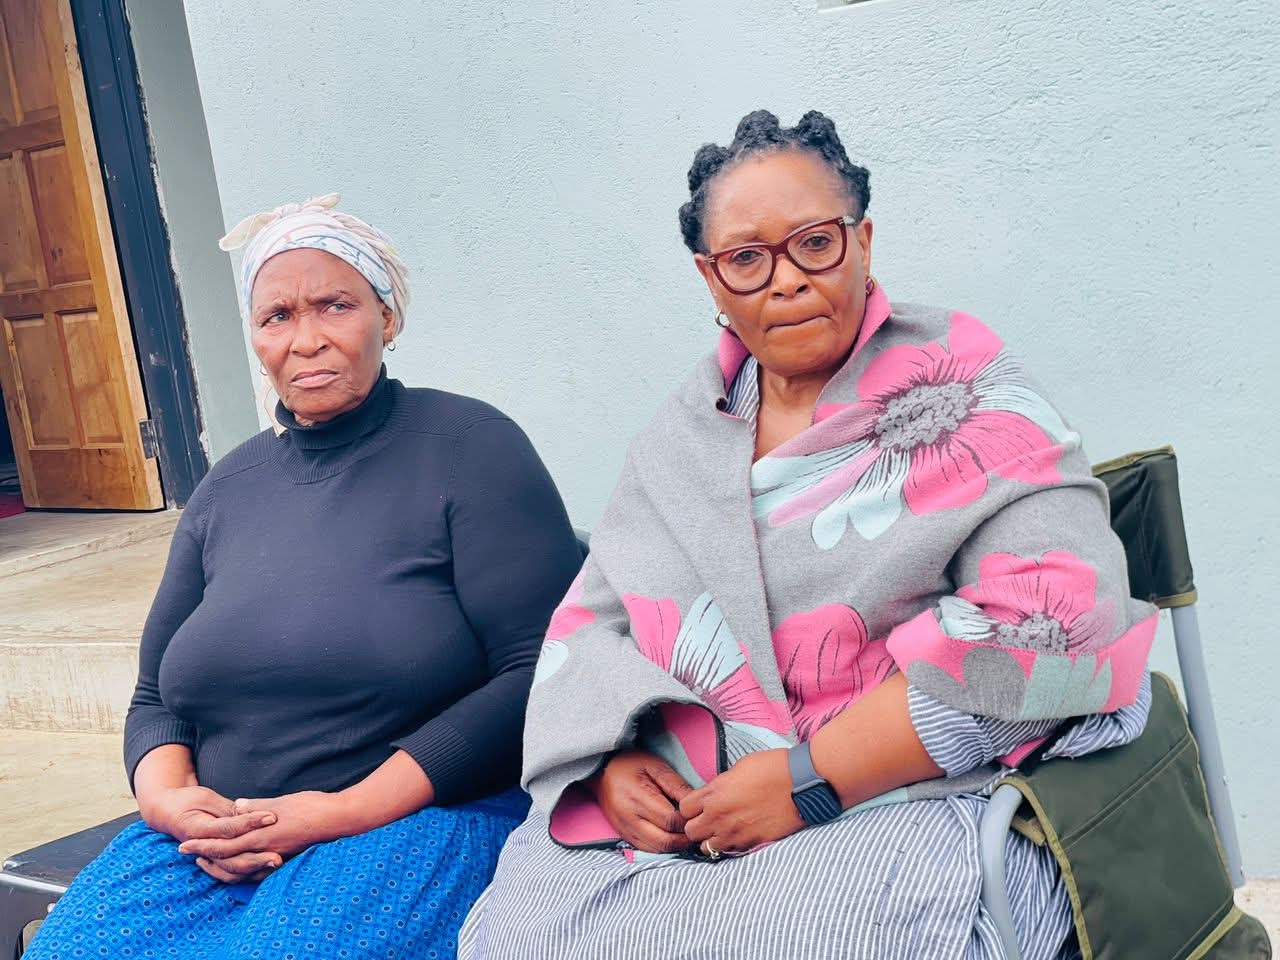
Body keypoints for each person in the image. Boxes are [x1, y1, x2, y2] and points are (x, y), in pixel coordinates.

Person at [459, 111, 1156, 959]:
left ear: (863, 241)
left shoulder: (966, 389)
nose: (786, 281)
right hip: (700, 802)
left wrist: (808, 779)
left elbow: (1061, 618)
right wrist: (611, 765)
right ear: (711, 279)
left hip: (910, 789)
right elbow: (592, 623)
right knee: (520, 932)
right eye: (747, 260)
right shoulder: (682, 435)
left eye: (815, 244)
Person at [25, 195, 583, 959]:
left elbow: (540, 670)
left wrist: (341, 811)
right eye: (278, 316)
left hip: (408, 824)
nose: (307, 338)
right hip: (214, 843)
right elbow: (156, 698)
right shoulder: (228, 489)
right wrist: (171, 804)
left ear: (387, 316)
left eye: (335, 306)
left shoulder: (469, 448)